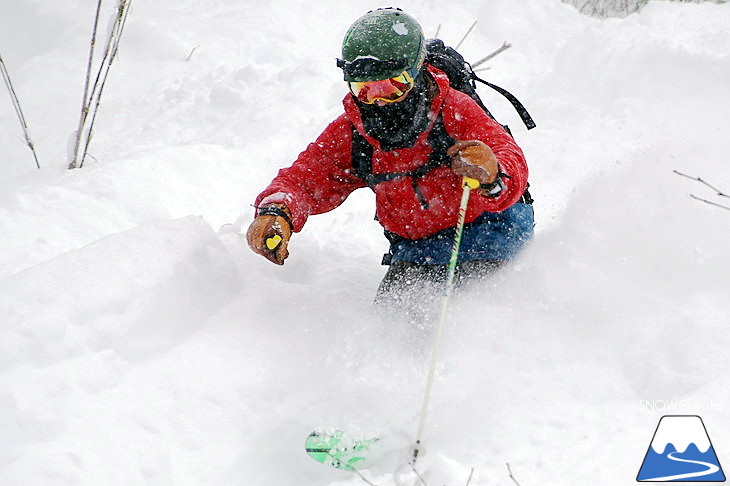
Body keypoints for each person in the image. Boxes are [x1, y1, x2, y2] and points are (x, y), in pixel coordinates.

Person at [246, 8, 533, 311]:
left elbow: (508, 154)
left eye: (390, 86)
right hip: (417, 250)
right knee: (390, 329)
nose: (378, 99)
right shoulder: (353, 132)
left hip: (488, 232)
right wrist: (277, 210)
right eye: (364, 90)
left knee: (474, 319)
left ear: (416, 72)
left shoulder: (454, 111)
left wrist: (493, 173)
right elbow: (305, 179)